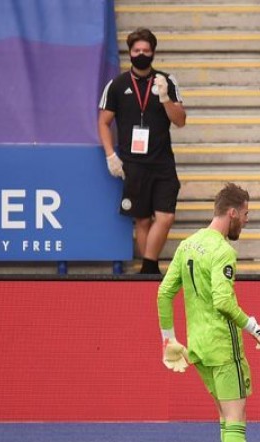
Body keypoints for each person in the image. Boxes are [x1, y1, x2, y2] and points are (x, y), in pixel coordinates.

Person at [156, 183, 260, 442]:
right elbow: (223, 302)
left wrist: (168, 340)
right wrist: (255, 327)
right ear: (233, 212)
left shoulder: (188, 244)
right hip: (224, 347)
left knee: (225, 417)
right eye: (247, 214)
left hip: (198, 348)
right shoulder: (223, 251)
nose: (246, 222)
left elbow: (164, 293)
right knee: (236, 418)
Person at [99, 28, 186, 275]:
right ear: (130, 53)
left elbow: (180, 121)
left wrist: (166, 98)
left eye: (146, 51)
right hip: (133, 164)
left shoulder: (167, 81)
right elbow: (103, 122)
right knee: (143, 220)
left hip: (162, 162)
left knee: (166, 216)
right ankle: (150, 271)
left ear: (153, 53)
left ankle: (148, 267)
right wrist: (110, 155)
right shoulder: (117, 85)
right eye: (137, 51)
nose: (141, 54)